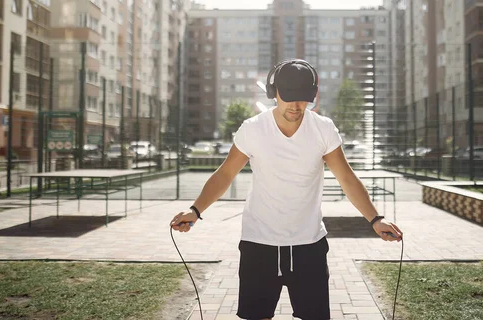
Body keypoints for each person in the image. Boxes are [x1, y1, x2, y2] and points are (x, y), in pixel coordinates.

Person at [171, 59, 403, 320]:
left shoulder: (323, 129)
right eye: (289, 97)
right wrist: (195, 210)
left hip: (309, 245)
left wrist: (375, 218)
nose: (296, 106)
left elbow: (346, 178)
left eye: (303, 98)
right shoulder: (253, 129)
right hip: (259, 244)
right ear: (273, 93)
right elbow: (225, 173)